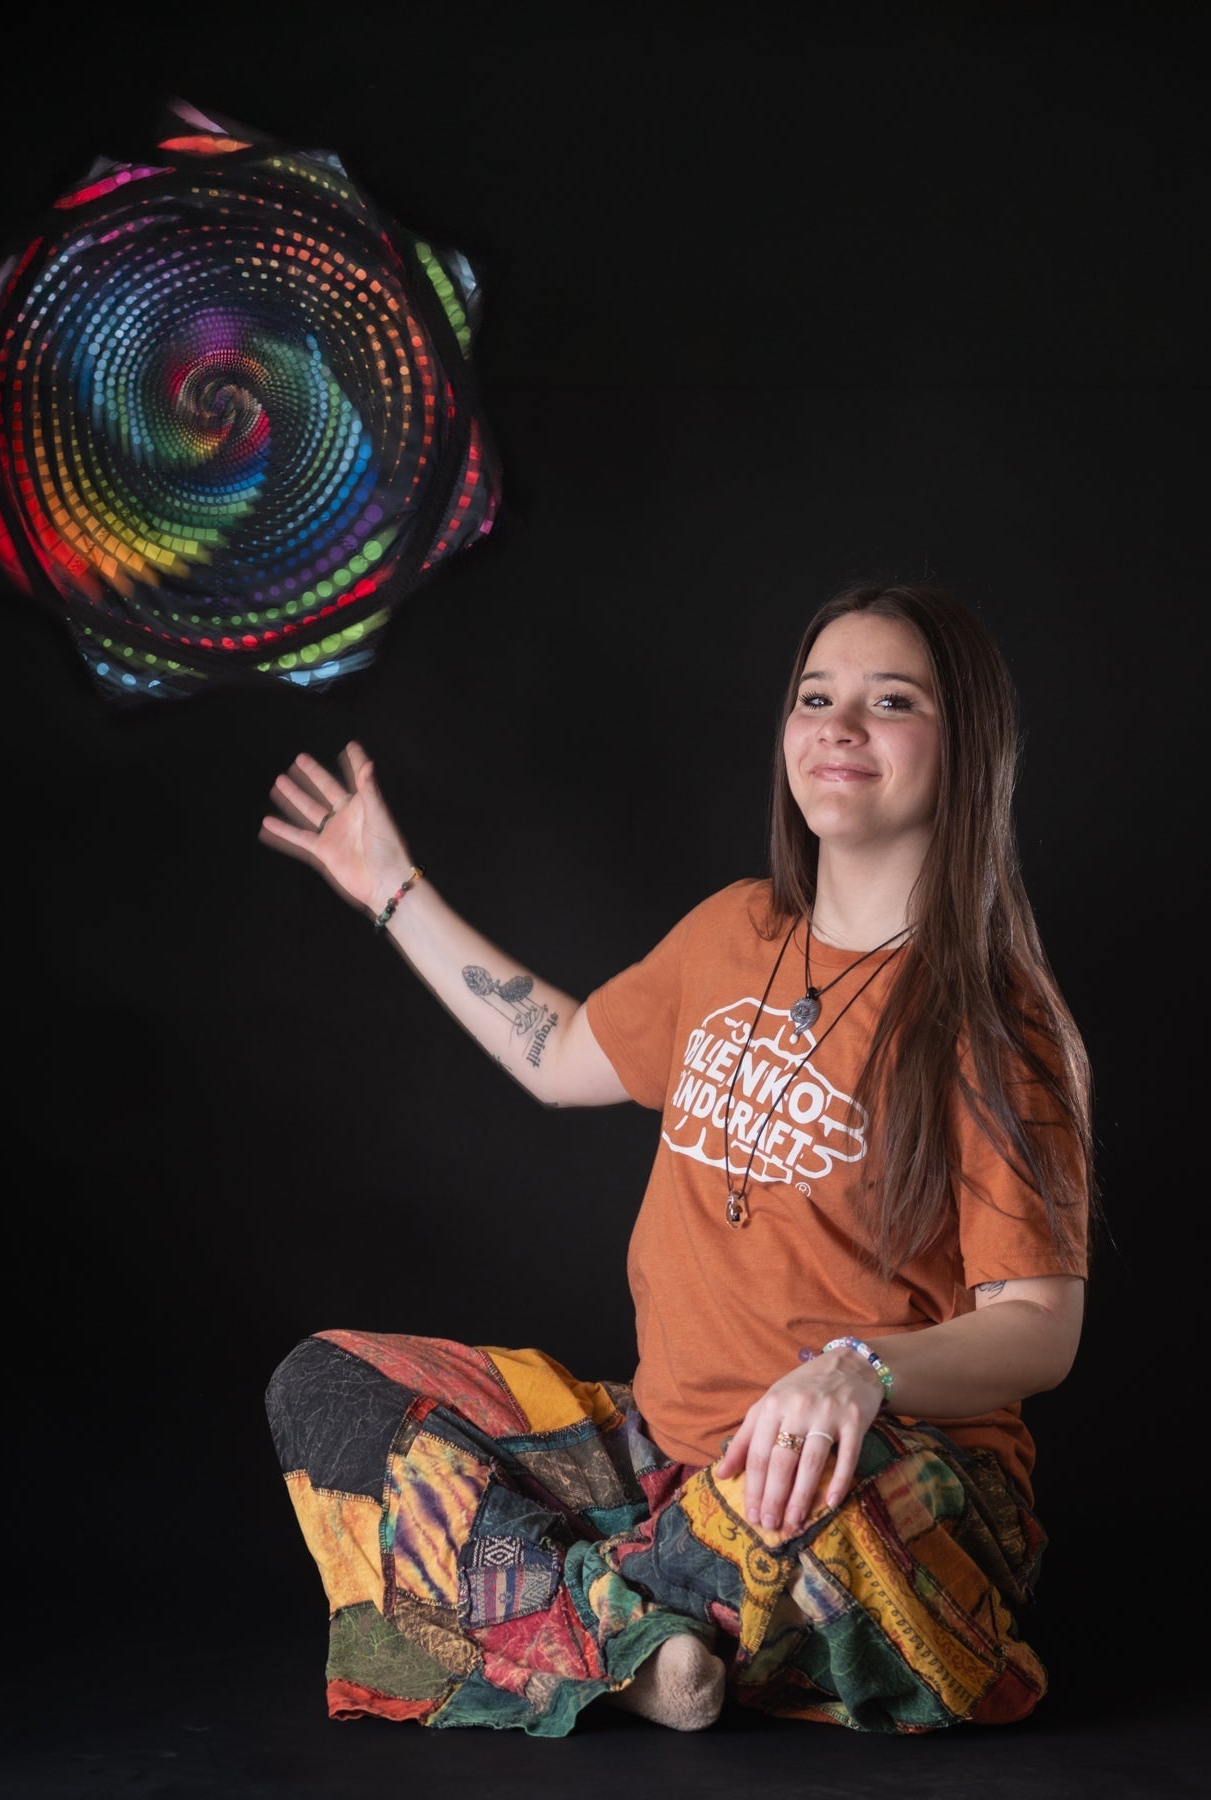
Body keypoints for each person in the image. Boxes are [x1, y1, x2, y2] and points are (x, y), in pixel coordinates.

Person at [258, 582, 1095, 1737]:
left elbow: (1039, 1326)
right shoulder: (733, 931)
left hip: (868, 1476)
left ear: (968, 747)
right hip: (667, 1460)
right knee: (328, 1382)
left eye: (891, 700)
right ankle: (664, 1631)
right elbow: (556, 1053)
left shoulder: (993, 1019)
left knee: (842, 1521)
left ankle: (591, 1623)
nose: (838, 726)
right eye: (815, 697)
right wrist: (390, 889)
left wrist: (861, 1369)